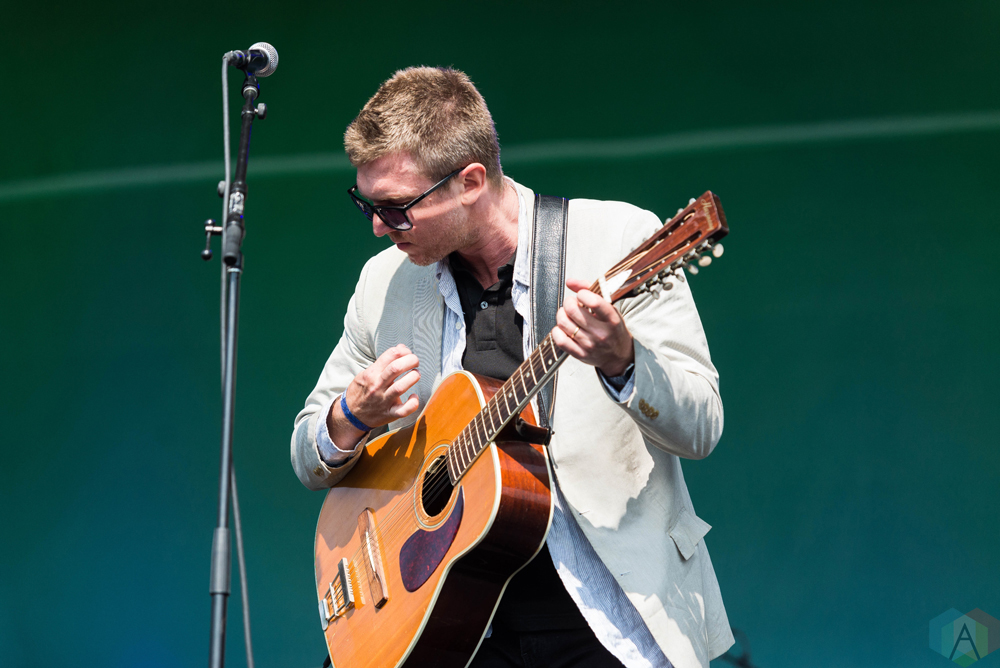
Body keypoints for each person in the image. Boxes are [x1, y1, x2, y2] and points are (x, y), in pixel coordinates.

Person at [291, 67, 733, 668]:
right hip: (449, 622)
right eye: (366, 204)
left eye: (396, 209)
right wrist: (351, 415)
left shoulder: (617, 239)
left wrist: (622, 361)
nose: (377, 227)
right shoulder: (383, 284)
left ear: (470, 181)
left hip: (611, 615)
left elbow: (702, 426)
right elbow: (307, 451)